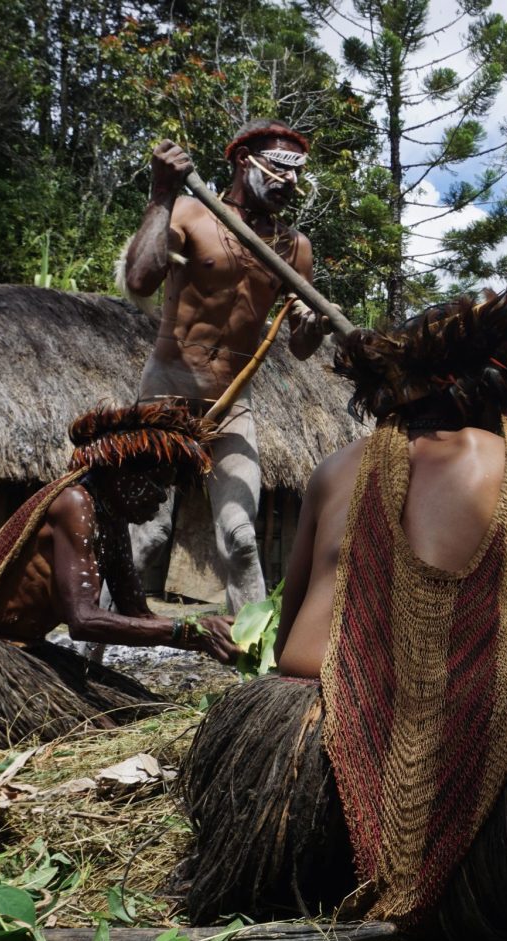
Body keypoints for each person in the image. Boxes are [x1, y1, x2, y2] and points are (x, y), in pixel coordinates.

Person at [180, 273, 507, 941]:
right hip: (463, 746)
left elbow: (286, 632)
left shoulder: (337, 466)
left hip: (299, 738)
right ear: (494, 383)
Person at [0, 403, 238, 757]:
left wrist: (207, 634)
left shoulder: (112, 518)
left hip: (24, 647)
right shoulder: (75, 502)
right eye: (157, 483)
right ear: (123, 471)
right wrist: (192, 633)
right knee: (93, 737)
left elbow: (140, 617)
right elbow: (83, 621)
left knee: (145, 714)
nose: (162, 498)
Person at [120, 119, 327, 613]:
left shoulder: (293, 248)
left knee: (240, 540)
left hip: (232, 405)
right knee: (147, 535)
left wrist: (311, 324)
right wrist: (161, 195)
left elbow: (300, 348)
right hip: (167, 394)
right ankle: (94, 644)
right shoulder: (191, 213)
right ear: (242, 162)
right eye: (280, 168)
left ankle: (250, 668)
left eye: (298, 174)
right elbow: (140, 279)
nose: (291, 183)